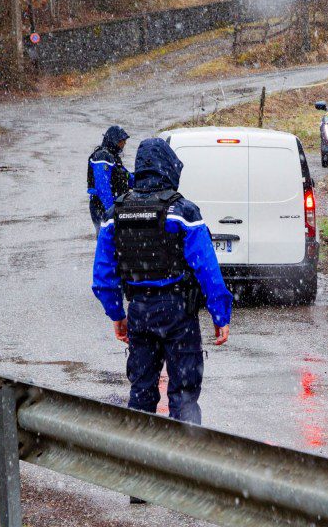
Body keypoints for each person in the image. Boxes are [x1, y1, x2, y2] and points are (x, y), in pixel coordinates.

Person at [92, 138, 232, 435]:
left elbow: (103, 277)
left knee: (141, 394)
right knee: (183, 395)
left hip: (140, 312)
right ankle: (187, 463)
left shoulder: (114, 214)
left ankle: (139, 462)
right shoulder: (184, 212)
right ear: (169, 167)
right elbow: (207, 269)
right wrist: (220, 315)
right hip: (178, 313)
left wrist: (117, 315)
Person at [87, 125, 132, 230]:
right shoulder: (102, 156)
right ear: (114, 140)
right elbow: (102, 187)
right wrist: (111, 211)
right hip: (102, 206)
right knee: (107, 240)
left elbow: (128, 177)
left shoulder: (113, 158)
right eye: (122, 141)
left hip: (114, 205)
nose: (124, 144)